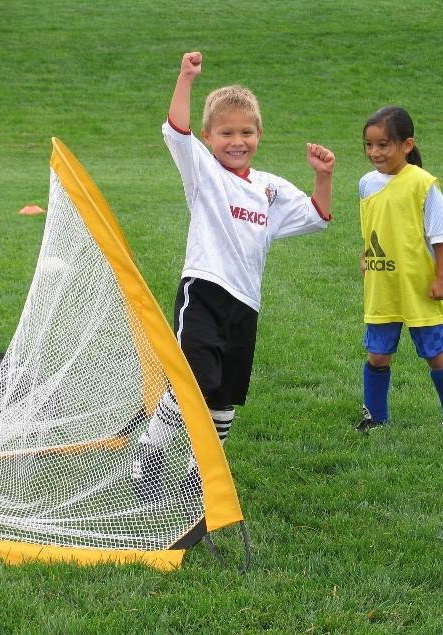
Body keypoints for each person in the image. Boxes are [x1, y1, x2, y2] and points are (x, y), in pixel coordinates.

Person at [130, 51, 335, 499]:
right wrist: (186, 77)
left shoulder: (271, 188)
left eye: (246, 132)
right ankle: (149, 454)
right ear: (208, 136)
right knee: (195, 380)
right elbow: (176, 130)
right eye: (225, 133)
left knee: (224, 396)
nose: (236, 141)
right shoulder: (202, 170)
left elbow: (319, 216)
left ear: (259, 135)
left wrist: (323, 176)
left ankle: (202, 471)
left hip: (246, 304)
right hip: (203, 291)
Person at [356, 106, 443, 434]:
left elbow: (440, 235)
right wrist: (366, 254)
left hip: (419, 285)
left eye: (383, 145)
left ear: (407, 145)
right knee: (378, 355)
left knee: (435, 353)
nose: (375, 152)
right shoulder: (366, 184)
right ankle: (375, 416)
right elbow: (372, 225)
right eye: (369, 145)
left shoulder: (423, 184)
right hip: (382, 284)